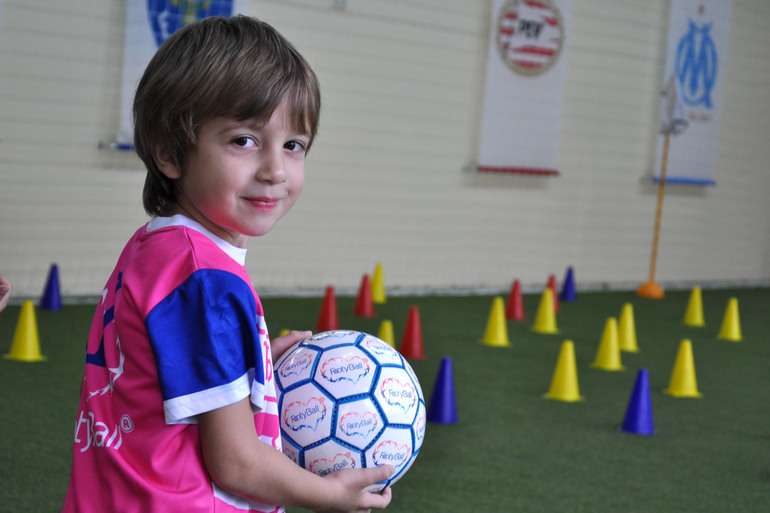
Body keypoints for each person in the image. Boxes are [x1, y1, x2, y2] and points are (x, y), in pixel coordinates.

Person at [61, 16, 393, 513]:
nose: (275, 169)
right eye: (244, 140)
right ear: (170, 152)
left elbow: (159, 373)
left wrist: (247, 366)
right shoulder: (206, 280)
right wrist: (330, 494)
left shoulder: (155, 247)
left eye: (293, 145)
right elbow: (236, 463)